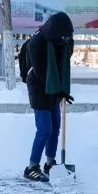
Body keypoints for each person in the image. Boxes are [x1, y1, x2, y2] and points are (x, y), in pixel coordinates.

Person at [23, 12, 75, 182]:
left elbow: (63, 65)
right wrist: (57, 90)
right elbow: (41, 71)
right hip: (38, 87)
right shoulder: (37, 43)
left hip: (54, 87)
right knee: (44, 129)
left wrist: (62, 90)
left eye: (68, 37)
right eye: (63, 36)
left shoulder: (65, 40)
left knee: (55, 128)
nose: (66, 39)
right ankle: (32, 167)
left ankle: (50, 162)